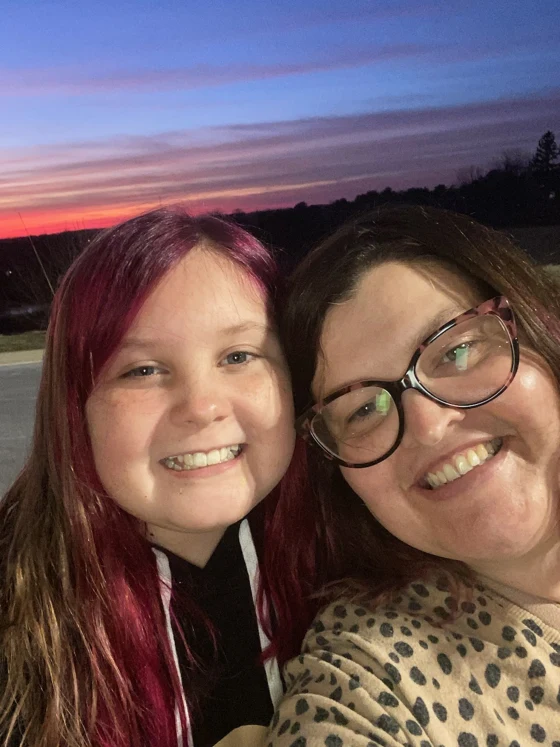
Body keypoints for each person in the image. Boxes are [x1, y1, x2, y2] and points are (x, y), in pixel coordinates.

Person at [0, 207, 318, 747]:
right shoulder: (19, 617)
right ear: (76, 406)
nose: (201, 406)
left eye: (239, 355)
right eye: (143, 369)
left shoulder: (356, 554)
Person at [267, 205, 560, 745]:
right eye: (361, 410)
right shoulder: (368, 678)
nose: (426, 425)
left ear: (541, 329)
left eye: (459, 349)